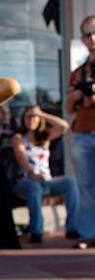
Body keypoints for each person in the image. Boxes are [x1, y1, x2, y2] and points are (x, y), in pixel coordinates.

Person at [12, 105, 79, 243]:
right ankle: (36, 231)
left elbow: (64, 126)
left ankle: (72, 228)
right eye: (28, 116)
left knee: (70, 182)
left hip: (47, 181)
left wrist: (42, 114)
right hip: (26, 182)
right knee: (34, 186)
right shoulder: (19, 137)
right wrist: (31, 173)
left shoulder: (45, 137)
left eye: (34, 116)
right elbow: (21, 156)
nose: (30, 120)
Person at [65, 14, 95, 249]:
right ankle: (88, 233)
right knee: (84, 186)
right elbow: (68, 107)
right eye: (87, 33)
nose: (92, 38)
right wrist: (77, 95)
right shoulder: (79, 71)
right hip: (83, 132)